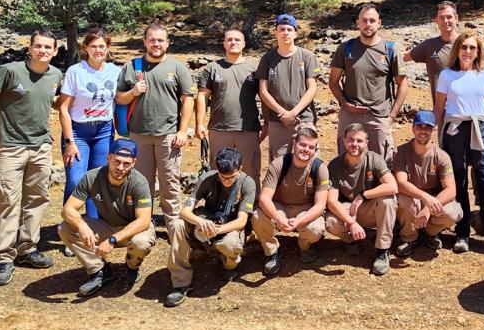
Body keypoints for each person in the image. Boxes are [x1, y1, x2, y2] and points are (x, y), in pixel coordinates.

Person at [0, 29, 62, 287]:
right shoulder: (10, 71)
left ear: (55, 51)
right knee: (8, 201)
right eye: (38, 46)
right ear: (29, 48)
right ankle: (4, 257)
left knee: (37, 199)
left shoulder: (56, 75)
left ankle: (27, 248)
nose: (43, 51)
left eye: (48, 47)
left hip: (41, 147)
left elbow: (55, 102)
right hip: (10, 147)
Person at [115, 23, 197, 229]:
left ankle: (174, 226)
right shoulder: (131, 66)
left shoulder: (177, 67)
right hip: (138, 135)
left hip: (169, 136)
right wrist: (133, 92)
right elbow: (119, 98)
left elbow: (188, 99)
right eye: (152, 40)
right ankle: (143, 226)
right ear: (145, 42)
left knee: (170, 182)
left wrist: (182, 130)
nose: (156, 44)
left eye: (160, 40)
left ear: (167, 43)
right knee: (142, 183)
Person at [433, 31, 484, 256]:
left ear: (478, 52)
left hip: (480, 127)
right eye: (464, 47)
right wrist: (437, 136)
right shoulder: (446, 75)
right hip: (454, 129)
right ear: (457, 49)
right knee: (459, 178)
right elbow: (439, 108)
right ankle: (462, 232)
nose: (467, 51)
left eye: (472, 48)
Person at [57, 139, 156, 297]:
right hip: (106, 225)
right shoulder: (92, 177)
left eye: (126, 163)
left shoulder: (139, 182)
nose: (120, 168)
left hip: (132, 229)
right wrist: (82, 226)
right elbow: (67, 209)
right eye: (117, 161)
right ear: (108, 158)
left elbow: (143, 221)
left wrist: (112, 240)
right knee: (65, 228)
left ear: (134, 163)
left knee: (141, 243)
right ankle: (99, 270)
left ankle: (132, 265)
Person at [166, 146, 256, 307]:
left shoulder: (247, 183)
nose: (227, 181)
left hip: (230, 227)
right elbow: (184, 211)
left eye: (231, 177)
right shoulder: (207, 178)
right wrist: (200, 222)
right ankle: (180, 282)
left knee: (230, 245)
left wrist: (216, 230)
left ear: (240, 169)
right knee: (177, 224)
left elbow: (241, 221)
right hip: (207, 221)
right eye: (222, 177)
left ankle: (229, 264)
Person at [57, 28, 120, 231]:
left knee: (98, 181)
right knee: (76, 181)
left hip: (104, 130)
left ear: (108, 48)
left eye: (102, 46)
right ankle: (70, 229)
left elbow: (123, 99)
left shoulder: (115, 71)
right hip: (78, 132)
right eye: (93, 46)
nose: (98, 50)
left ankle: (95, 227)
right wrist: (69, 142)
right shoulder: (76, 71)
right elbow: (63, 108)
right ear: (86, 48)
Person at [329, 3, 408, 164]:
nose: (368, 24)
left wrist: (392, 116)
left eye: (372, 20)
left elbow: (403, 85)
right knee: (346, 162)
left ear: (379, 23)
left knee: (382, 164)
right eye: (364, 20)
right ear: (357, 23)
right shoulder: (345, 49)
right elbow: (333, 82)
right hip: (350, 115)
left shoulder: (390, 50)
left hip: (379, 117)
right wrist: (345, 104)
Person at [252, 125, 329, 275]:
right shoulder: (279, 164)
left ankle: (305, 246)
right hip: (281, 207)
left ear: (315, 150)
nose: (306, 150)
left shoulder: (319, 168)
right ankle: (271, 251)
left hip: (305, 209)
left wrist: (300, 221)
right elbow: (264, 198)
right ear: (294, 144)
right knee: (257, 217)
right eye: (303, 145)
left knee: (316, 229)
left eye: (311, 147)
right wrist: (278, 218)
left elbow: (320, 205)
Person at [324, 123, 399, 276]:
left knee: (387, 200)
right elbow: (331, 201)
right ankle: (352, 240)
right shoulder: (335, 165)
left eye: (359, 141)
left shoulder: (374, 159)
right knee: (331, 221)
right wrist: (351, 223)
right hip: (349, 210)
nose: (354, 144)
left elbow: (393, 186)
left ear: (366, 143)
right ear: (344, 141)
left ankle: (382, 250)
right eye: (351, 140)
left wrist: (363, 195)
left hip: (368, 207)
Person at [196, 28, 263, 182]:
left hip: (248, 129)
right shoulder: (212, 68)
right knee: (219, 171)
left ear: (244, 43)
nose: (233, 42)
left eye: (237, 39)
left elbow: (264, 96)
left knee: (250, 172)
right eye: (229, 40)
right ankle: (220, 197)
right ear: (224, 43)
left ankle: (251, 197)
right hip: (219, 129)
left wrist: (266, 123)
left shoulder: (255, 69)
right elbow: (202, 96)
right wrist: (199, 124)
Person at [392, 111, 463, 256]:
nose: (423, 131)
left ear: (433, 130)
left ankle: (429, 233)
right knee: (404, 201)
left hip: (433, 200)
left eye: (428, 127)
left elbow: (451, 190)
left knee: (452, 213)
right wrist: (424, 197)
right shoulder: (401, 152)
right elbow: (401, 183)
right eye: (419, 127)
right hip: (412, 198)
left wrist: (428, 209)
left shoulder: (441, 156)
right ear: (413, 128)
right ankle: (409, 237)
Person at [257, 14, 320, 160]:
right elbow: (263, 91)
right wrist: (283, 113)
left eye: (289, 29)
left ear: (295, 33)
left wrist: (293, 113)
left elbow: (312, 88)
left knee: (309, 161)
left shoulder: (307, 56)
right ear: (275, 33)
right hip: (277, 121)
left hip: (304, 119)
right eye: (281, 29)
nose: (285, 33)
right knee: (280, 163)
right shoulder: (267, 59)